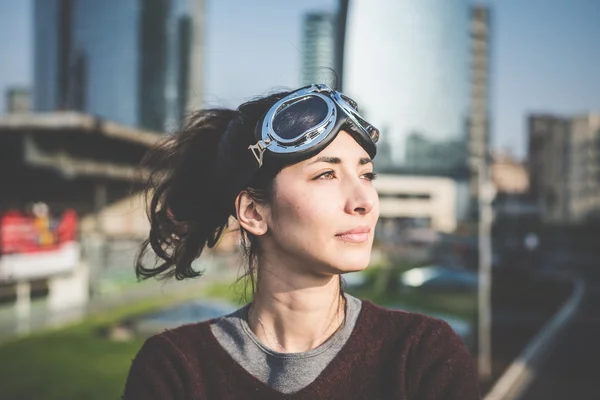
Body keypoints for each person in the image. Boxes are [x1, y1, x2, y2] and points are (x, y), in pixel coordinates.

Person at [123, 84, 480, 399]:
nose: (365, 201)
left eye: (366, 174)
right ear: (253, 212)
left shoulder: (422, 355)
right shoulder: (175, 370)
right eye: (326, 174)